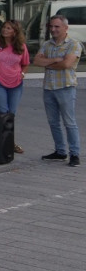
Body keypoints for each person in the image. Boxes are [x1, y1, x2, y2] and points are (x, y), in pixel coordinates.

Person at [32, 15, 82, 167]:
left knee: (69, 122)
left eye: (56, 27)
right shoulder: (47, 44)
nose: (53, 29)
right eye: (51, 26)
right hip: (49, 88)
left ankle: (74, 154)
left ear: (65, 28)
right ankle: (60, 152)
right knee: (53, 122)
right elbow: (36, 61)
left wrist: (48, 63)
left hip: (65, 87)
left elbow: (66, 64)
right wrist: (55, 60)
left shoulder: (74, 44)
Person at [0, 19, 30, 153]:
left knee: (11, 114)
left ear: (15, 32)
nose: (4, 30)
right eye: (4, 27)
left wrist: (22, 74)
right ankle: (4, 144)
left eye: (9, 28)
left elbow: (26, 63)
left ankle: (9, 142)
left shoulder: (21, 46)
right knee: (3, 112)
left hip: (16, 83)